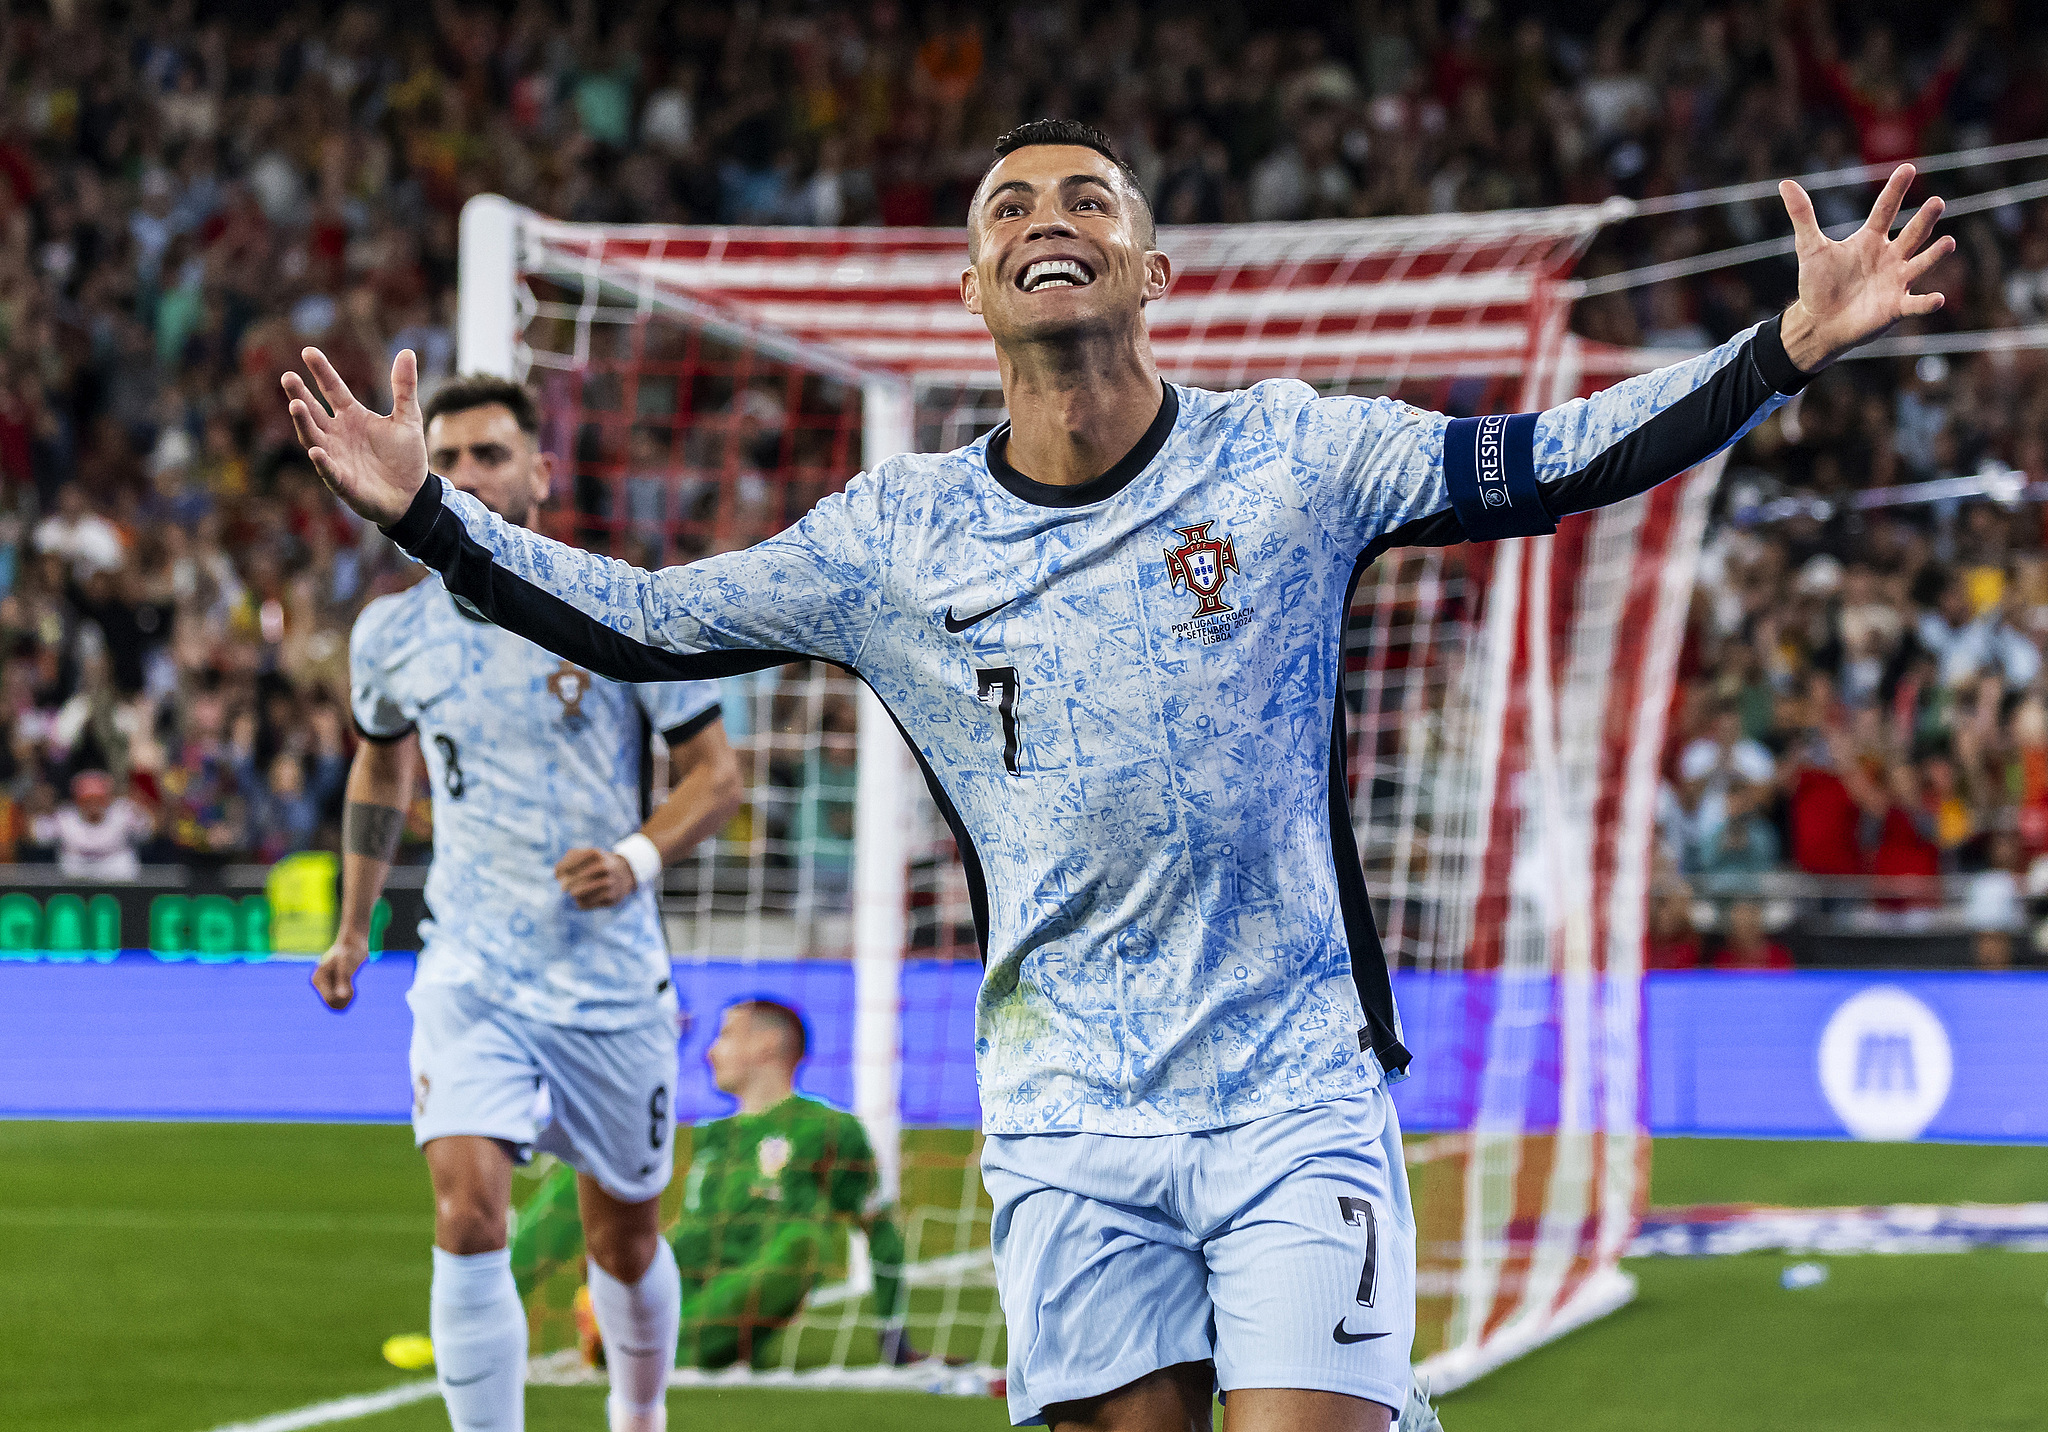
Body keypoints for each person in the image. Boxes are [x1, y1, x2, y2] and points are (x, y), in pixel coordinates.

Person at [286, 121, 1954, 1432]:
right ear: (971, 289)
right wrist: (433, 519)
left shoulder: (1294, 454)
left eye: (1085, 197)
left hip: (1287, 1078)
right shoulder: (892, 538)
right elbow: (648, 621)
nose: (1045, 218)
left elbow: (1542, 462)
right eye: (1008, 208)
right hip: (1063, 1110)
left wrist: (1779, 352)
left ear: (1149, 267)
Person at [309, 373, 744, 1432]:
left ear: (542, 473)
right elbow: (379, 772)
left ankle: (638, 1420)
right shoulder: (390, 637)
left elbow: (716, 777)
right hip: (468, 971)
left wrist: (636, 856)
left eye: (490, 454)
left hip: (607, 979)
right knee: (465, 1217)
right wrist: (352, 925)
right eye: (446, 457)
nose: (464, 476)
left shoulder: (624, 603)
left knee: (624, 1241)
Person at [505, 999, 914, 1371]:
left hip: (753, 1290)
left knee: (804, 1244)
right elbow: (693, 1237)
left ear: (766, 1045)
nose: (710, 1051)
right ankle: (502, 1301)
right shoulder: (714, 1136)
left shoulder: (827, 1128)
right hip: (686, 1278)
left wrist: (894, 1336)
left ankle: (642, 1349)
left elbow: (879, 1227)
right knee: (592, 1167)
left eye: (727, 1035)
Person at [33, 769, 152, 880]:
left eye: (98, 799)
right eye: (87, 799)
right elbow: (39, 836)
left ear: (107, 799)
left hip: (115, 871)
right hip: (77, 875)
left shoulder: (123, 811)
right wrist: (43, 808)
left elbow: (146, 833)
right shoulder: (65, 816)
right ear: (77, 800)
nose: (93, 804)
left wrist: (140, 808)